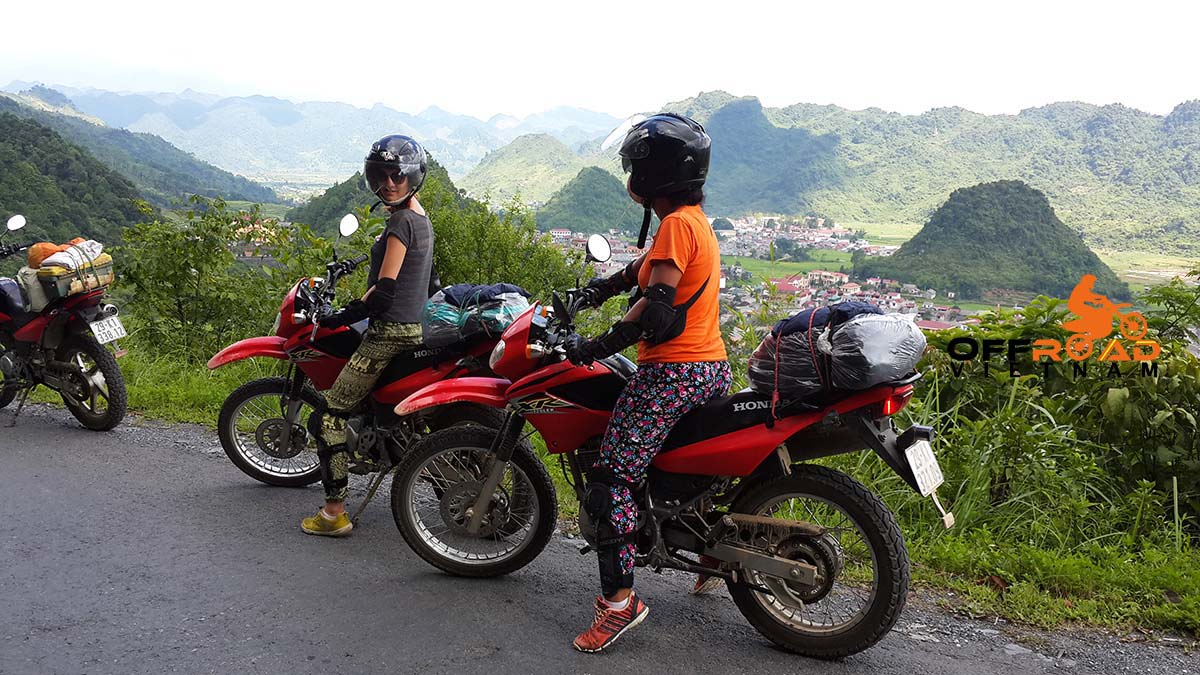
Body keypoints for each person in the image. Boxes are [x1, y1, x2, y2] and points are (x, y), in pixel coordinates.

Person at [564, 113, 732, 652]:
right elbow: (646, 270)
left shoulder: (677, 224)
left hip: (674, 371)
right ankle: (710, 552)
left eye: (635, 165)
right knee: (681, 468)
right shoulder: (691, 222)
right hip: (710, 367)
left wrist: (595, 346)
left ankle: (618, 604)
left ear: (654, 175)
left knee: (610, 478)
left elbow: (657, 313)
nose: (630, 175)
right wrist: (598, 291)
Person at [300, 134, 433, 537]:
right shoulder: (420, 217)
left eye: (397, 175)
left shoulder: (399, 223)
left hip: (390, 333)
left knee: (327, 417)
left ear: (412, 177)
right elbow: (416, 277)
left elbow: (386, 291)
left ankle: (333, 514)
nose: (389, 183)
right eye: (381, 175)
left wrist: (342, 316)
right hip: (416, 327)